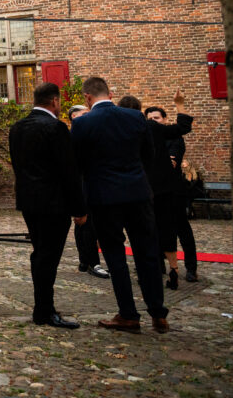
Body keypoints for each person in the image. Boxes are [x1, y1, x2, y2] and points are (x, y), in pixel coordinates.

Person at [72, 76, 169, 333]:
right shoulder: (135, 117)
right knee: (147, 253)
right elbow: (149, 155)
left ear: (87, 98)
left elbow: (78, 165)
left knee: (115, 255)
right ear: (110, 93)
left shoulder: (82, 123)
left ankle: (128, 314)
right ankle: (158, 313)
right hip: (137, 194)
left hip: (104, 198)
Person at [9, 82, 88, 329]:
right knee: (47, 257)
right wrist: (79, 208)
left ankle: (43, 307)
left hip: (29, 202)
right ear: (54, 101)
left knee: (40, 253)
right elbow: (69, 171)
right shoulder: (55, 127)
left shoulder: (17, 128)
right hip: (54, 204)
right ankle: (44, 310)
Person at [142, 95, 196, 287]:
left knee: (182, 229)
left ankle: (191, 268)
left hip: (174, 191)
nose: (152, 121)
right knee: (156, 228)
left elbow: (173, 161)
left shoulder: (174, 139)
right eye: (149, 118)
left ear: (164, 120)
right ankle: (160, 266)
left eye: (156, 118)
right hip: (157, 191)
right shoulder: (148, 137)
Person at [67, 105, 109, 279]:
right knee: (85, 224)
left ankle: (85, 260)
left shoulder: (90, 134)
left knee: (87, 224)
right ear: (74, 117)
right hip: (81, 184)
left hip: (93, 183)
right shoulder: (72, 137)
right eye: (85, 114)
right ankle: (92, 262)